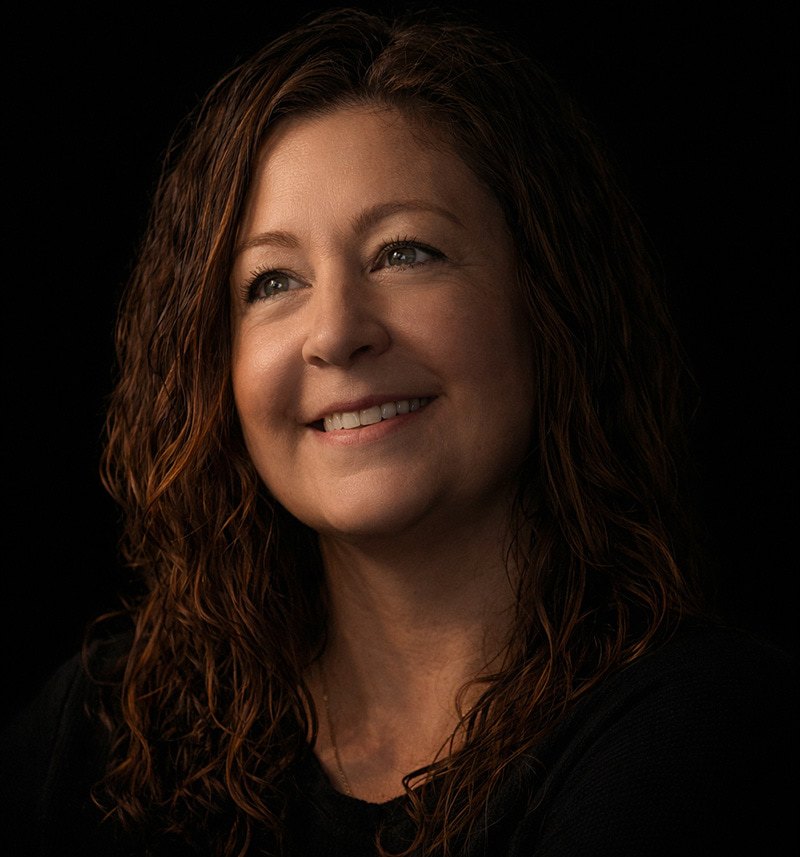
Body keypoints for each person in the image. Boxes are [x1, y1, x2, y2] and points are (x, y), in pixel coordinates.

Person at [1, 6, 795, 856]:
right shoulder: (100, 731)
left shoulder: (696, 735)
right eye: (271, 281)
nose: (336, 332)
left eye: (404, 252)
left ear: (555, 301)